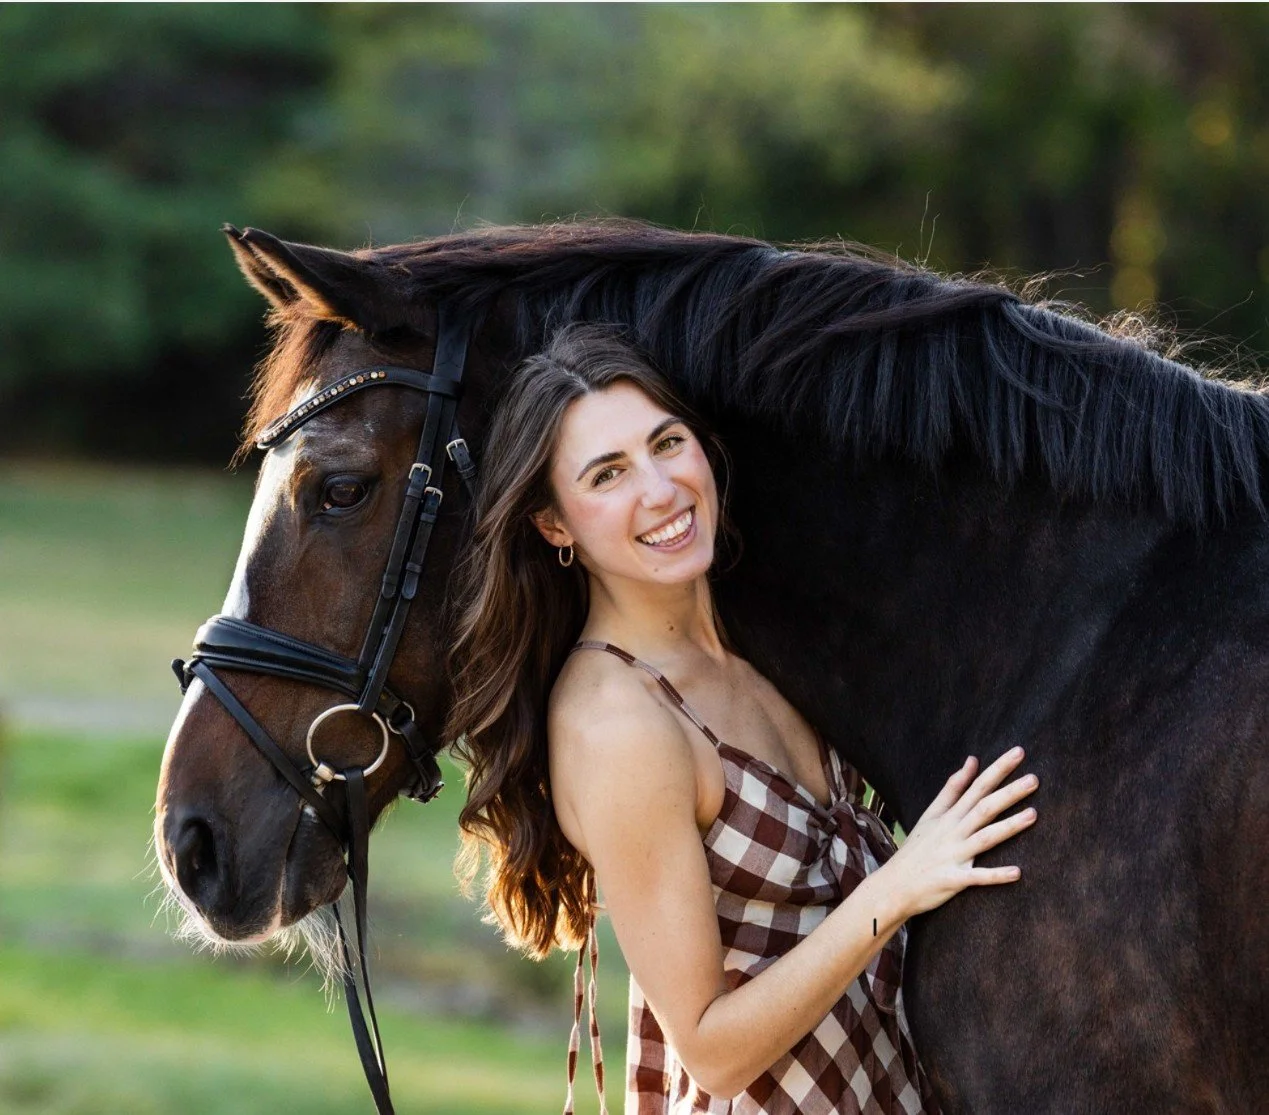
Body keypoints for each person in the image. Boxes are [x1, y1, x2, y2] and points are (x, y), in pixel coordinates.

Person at [445, 323, 1039, 1114]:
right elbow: (710, 1047)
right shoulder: (619, 724)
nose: (660, 489)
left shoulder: (759, 640)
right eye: (608, 474)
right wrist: (897, 886)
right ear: (554, 524)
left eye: (667, 443)